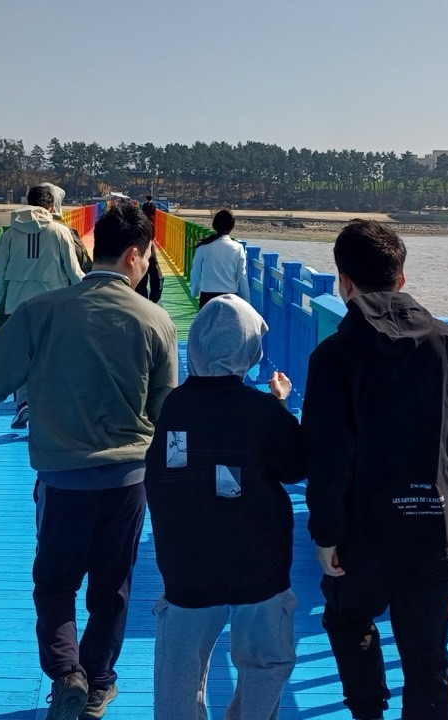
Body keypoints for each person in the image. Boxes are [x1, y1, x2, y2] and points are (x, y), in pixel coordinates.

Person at [0, 200, 179, 720]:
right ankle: (98, 683)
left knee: (55, 584)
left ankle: (66, 674)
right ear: (134, 255)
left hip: (62, 481)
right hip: (127, 481)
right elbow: (165, 412)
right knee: (112, 588)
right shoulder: (156, 320)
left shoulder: (43, 311)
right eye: (148, 257)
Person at [301, 220, 448, 720]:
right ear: (401, 278)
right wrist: (442, 482)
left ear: (343, 282)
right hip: (432, 527)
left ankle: (368, 711)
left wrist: (326, 532)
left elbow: (326, 454)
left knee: (348, 617)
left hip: (361, 529)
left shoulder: (334, 355)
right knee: (428, 656)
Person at [145, 295, 303, 720]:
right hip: (258, 562)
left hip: (186, 562)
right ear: (250, 348)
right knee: (267, 660)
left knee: (180, 668)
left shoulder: (175, 404)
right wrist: (280, 405)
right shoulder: (260, 410)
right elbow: (294, 465)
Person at [0, 183, 85, 428]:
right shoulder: (60, 232)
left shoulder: (10, 234)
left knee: (23, 354)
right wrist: (89, 296)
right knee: (52, 352)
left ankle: (23, 403)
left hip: (16, 304)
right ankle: (50, 402)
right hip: (54, 302)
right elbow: (74, 272)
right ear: (51, 208)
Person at [189, 209, 250, 309]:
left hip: (207, 297)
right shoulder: (238, 248)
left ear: (215, 225)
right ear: (232, 226)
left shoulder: (203, 247)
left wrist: (194, 292)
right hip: (231, 298)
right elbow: (242, 276)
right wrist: (247, 301)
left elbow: (196, 272)